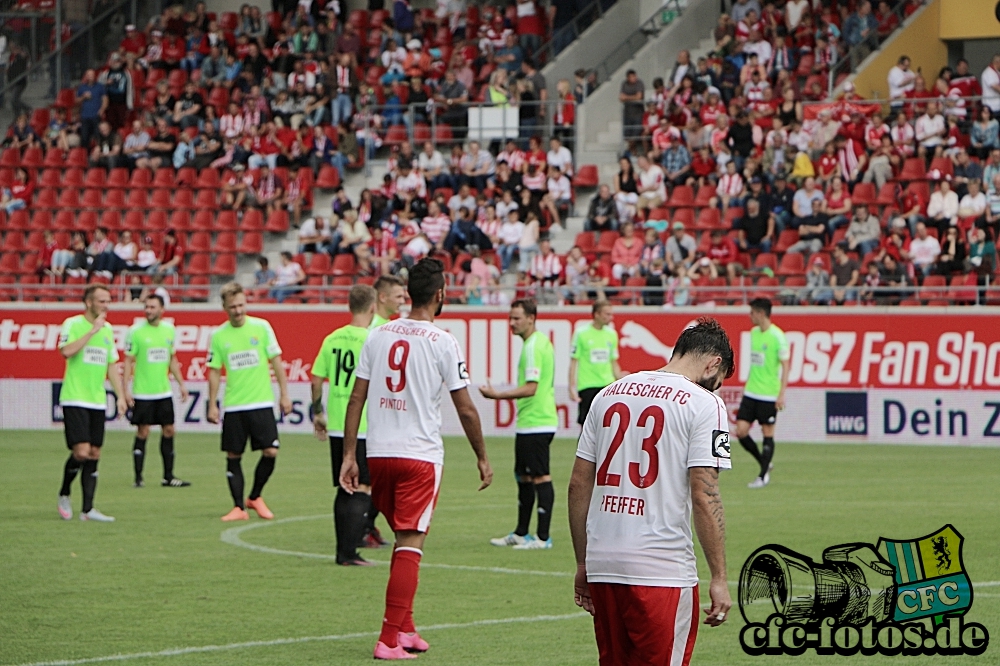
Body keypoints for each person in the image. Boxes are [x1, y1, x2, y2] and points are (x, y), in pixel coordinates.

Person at [340, 258, 493, 659]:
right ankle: (389, 639)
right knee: (411, 542)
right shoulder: (442, 341)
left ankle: (405, 628)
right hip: (419, 456)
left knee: (403, 539)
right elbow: (466, 409)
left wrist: (349, 455)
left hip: (379, 453)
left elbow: (357, 398)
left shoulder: (378, 335)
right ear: (440, 295)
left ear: (408, 294)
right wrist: (482, 456)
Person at [568, 318, 735, 666]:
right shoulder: (705, 404)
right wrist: (719, 577)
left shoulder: (609, 392)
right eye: (717, 383)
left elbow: (578, 484)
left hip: (603, 563)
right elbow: (706, 495)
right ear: (713, 363)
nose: (714, 389)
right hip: (661, 569)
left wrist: (584, 562)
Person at [207, 282, 292, 522]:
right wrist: (212, 403)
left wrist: (284, 394)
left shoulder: (262, 327)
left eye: (241, 305)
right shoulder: (218, 335)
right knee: (234, 455)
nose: (238, 310)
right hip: (234, 405)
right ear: (224, 307)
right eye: (233, 306)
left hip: (261, 402)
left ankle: (255, 496)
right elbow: (214, 371)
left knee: (271, 451)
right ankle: (238, 507)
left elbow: (276, 361)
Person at [481, 299, 558, 550]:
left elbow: (531, 388)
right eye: (510, 317)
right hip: (530, 421)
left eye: (516, 318)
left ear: (531, 318)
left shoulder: (533, 346)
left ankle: (543, 538)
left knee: (539, 476)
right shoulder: (538, 342)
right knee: (523, 476)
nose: (511, 323)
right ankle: (522, 532)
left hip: (537, 421)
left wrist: (497, 395)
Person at [312, 285, 378, 566]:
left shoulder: (332, 339)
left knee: (344, 487)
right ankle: (349, 553)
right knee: (362, 487)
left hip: (339, 423)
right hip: (363, 425)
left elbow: (316, 378)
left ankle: (343, 551)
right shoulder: (373, 339)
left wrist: (318, 412)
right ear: (373, 308)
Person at [56, 285, 128, 523]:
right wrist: (91, 332)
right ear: (89, 302)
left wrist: (120, 396)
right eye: (101, 301)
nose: (106, 305)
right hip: (75, 397)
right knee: (81, 451)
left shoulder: (107, 330)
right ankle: (65, 492)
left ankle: (88, 510)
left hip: (97, 400)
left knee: (95, 452)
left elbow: (111, 365)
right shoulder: (73, 324)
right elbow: (66, 351)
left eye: (108, 301)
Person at [123, 294, 190, 489]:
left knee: (169, 430)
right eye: (147, 306)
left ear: (162, 309)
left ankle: (168, 477)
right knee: (143, 431)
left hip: (163, 392)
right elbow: (128, 360)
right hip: (143, 392)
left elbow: (172, 359)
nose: (148, 310)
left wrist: (181, 384)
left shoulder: (169, 330)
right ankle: (138, 477)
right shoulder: (135, 331)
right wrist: (126, 389)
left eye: (153, 307)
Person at [736, 298, 789, 489]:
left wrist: (781, 394)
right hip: (751, 391)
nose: (750, 316)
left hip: (768, 394)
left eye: (752, 312)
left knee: (767, 434)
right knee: (740, 431)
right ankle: (764, 463)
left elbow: (785, 366)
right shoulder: (753, 333)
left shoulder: (777, 336)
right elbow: (755, 362)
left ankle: (762, 475)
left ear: (760, 313)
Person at [569, 301, 625, 429]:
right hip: (587, 385)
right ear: (596, 314)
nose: (611, 317)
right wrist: (571, 387)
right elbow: (573, 362)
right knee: (586, 427)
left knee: (607, 425)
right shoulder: (581, 333)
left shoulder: (611, 334)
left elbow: (613, 362)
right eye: (607, 314)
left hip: (607, 386)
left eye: (611, 314)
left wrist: (621, 381)